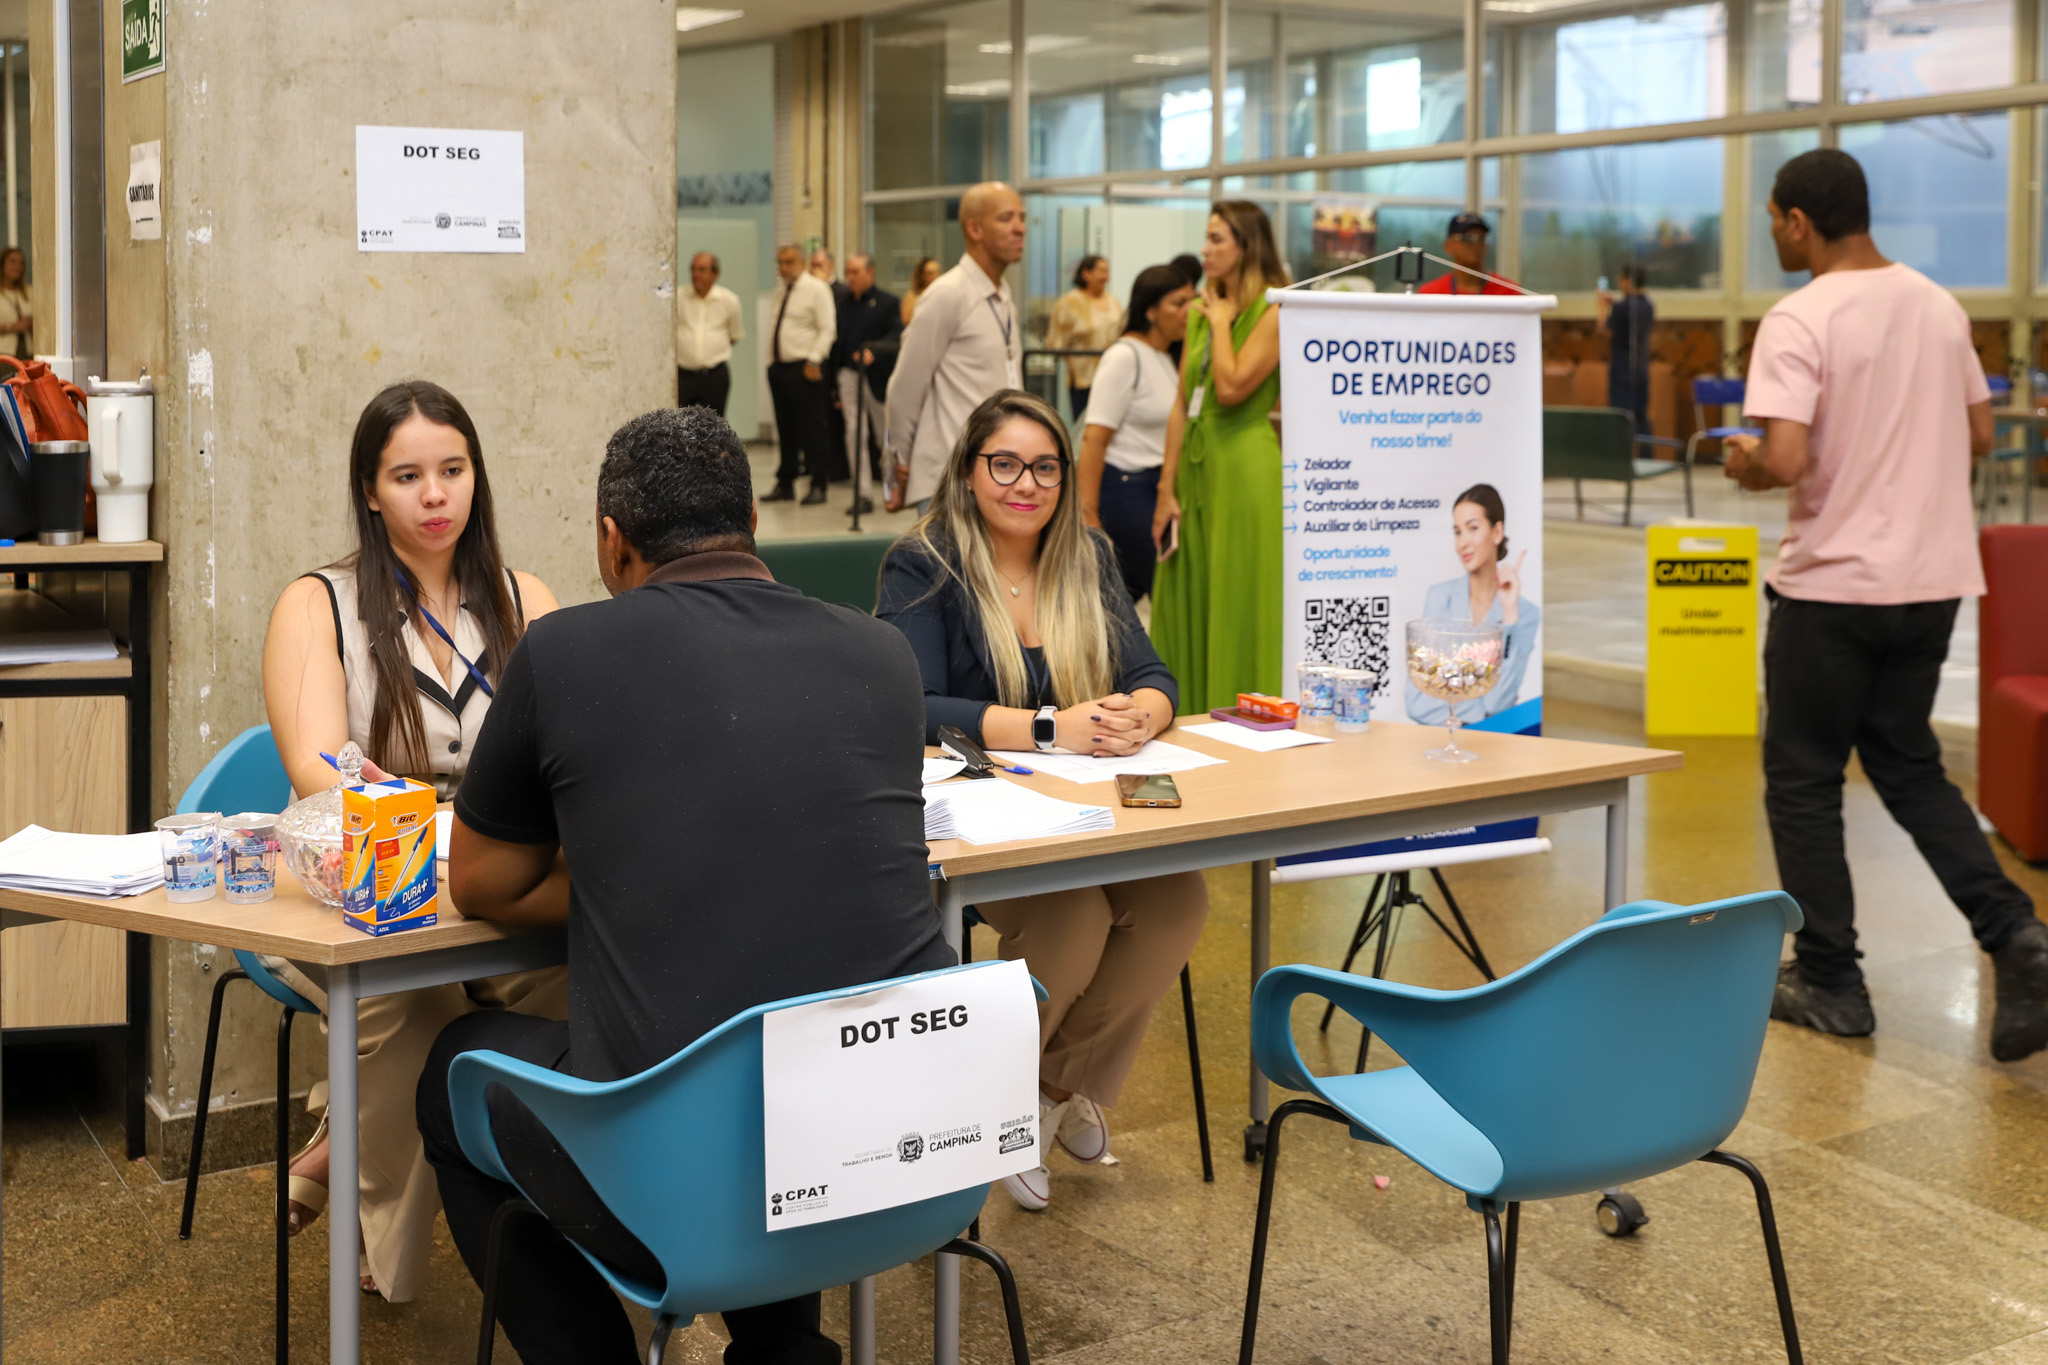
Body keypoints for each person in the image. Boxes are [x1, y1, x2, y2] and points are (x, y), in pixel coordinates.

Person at [417, 405, 953, 1365]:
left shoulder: (564, 651)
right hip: (897, 1164)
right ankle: (783, 1350)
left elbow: (482, 881)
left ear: (611, 539)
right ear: (751, 521)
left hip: (665, 1180)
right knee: (776, 1038)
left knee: (452, 1070)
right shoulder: (882, 653)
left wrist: (619, 873)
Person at [1724, 147, 2048, 1062]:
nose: (1774, 233)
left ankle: (1831, 978)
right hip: (1932, 583)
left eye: (1773, 220)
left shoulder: (1799, 316)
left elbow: (1786, 456)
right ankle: (2019, 936)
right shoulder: (1939, 305)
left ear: (1798, 221)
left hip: (1833, 587)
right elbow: (1978, 431)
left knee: (1803, 777)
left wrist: (1747, 462)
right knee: (1908, 766)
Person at [259, 381, 567, 1301]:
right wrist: (446, 828)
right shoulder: (317, 603)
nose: (435, 494)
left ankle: (568, 1221)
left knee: (581, 977)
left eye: (453, 470)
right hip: (360, 886)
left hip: (494, 883)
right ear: (369, 488)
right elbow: (320, 770)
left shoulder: (524, 598)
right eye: (407, 476)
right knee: (417, 1007)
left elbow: (570, 750)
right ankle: (387, 1260)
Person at [875, 390, 1207, 1212]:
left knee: (1177, 901)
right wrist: (1054, 728)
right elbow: (914, 706)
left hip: (1086, 808)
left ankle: (1044, 1093)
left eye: (1046, 467)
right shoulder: (923, 562)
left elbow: (1153, 675)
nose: (1026, 483)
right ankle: (1023, 1101)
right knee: (1075, 920)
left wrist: (1142, 717)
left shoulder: (1085, 554)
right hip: (980, 817)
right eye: (1005, 464)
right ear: (969, 470)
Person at [1149, 200, 1290, 713]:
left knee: (1236, 595)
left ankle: (1245, 716)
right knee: (1190, 594)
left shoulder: (1274, 311)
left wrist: (1225, 323)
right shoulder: (1203, 309)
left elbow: (1230, 389)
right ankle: (1189, 715)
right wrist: (1165, 487)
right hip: (1196, 470)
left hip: (1244, 469)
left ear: (1246, 245)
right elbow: (1182, 401)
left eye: (1216, 239)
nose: (1204, 250)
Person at [885, 182, 1026, 513]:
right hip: (950, 482)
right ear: (974, 229)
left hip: (997, 477)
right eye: (1006, 218)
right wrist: (897, 467)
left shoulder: (1004, 297)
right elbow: (905, 388)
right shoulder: (947, 293)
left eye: (1022, 217)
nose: (1020, 228)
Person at [1078, 264, 1193, 603]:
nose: (1188, 312)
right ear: (1150, 311)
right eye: (1178, 303)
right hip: (1127, 488)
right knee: (1168, 592)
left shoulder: (1167, 357)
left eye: (1192, 301)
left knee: (1119, 603)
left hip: (1157, 487)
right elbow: (1094, 439)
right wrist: (1088, 515)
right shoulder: (1125, 356)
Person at [1404, 484, 1541, 724]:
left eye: (1473, 528)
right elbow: (1417, 703)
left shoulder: (1525, 614)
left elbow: (1499, 703)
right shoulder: (1440, 597)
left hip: (1496, 740)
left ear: (1497, 532)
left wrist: (1509, 615)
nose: (1463, 543)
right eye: (1458, 532)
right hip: (1444, 741)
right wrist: (1481, 709)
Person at [763, 242, 837, 506]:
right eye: (780, 262)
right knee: (786, 429)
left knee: (813, 428)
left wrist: (815, 359)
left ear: (803, 263)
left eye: (789, 262)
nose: (783, 267)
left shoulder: (817, 289)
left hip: (805, 368)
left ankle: (818, 483)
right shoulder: (782, 291)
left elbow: (827, 329)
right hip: (780, 368)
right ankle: (785, 482)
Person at [833, 252, 901, 515]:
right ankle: (862, 493)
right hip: (849, 374)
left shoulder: (887, 302)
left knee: (885, 436)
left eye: (856, 272)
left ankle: (892, 488)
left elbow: (897, 334)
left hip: (877, 378)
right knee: (854, 432)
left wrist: (874, 351)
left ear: (870, 272)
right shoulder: (844, 303)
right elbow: (839, 340)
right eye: (848, 272)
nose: (850, 277)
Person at [1046, 254, 1122, 418]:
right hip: (1084, 380)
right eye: (1101, 271)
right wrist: (1077, 360)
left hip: (1112, 377)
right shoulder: (1069, 302)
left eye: (1107, 271)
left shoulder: (1113, 300)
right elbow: (1055, 343)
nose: (1106, 276)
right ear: (1086, 274)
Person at [675, 250, 744, 416]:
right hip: (683, 376)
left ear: (715, 274)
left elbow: (734, 335)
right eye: (693, 269)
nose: (696, 274)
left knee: (714, 424)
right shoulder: (678, 297)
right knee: (679, 425)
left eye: (702, 270)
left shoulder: (729, 300)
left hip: (714, 376)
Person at [1598, 264, 1654, 433]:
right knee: (1641, 417)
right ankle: (1646, 449)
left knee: (1619, 418)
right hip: (1641, 371)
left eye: (1621, 280)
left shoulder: (1621, 307)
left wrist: (1602, 307)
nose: (1620, 284)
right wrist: (1615, 304)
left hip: (1622, 372)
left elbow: (1604, 331)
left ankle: (1621, 450)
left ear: (1629, 280)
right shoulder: (1648, 305)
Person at [1419, 213, 1520, 295]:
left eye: (1481, 238)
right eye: (1466, 238)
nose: (1475, 244)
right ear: (1448, 246)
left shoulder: (1508, 292)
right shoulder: (1431, 293)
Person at [0, 248, 30, 360]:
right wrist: (13, 326)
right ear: (2, 265)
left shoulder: (30, 293)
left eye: (21, 263)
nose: (17, 266)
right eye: (12, 261)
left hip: (28, 352)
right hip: (4, 354)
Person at [901, 255, 941, 326]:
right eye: (930, 273)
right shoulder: (912, 295)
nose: (935, 276)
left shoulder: (943, 294)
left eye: (937, 272)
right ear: (922, 275)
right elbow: (906, 319)